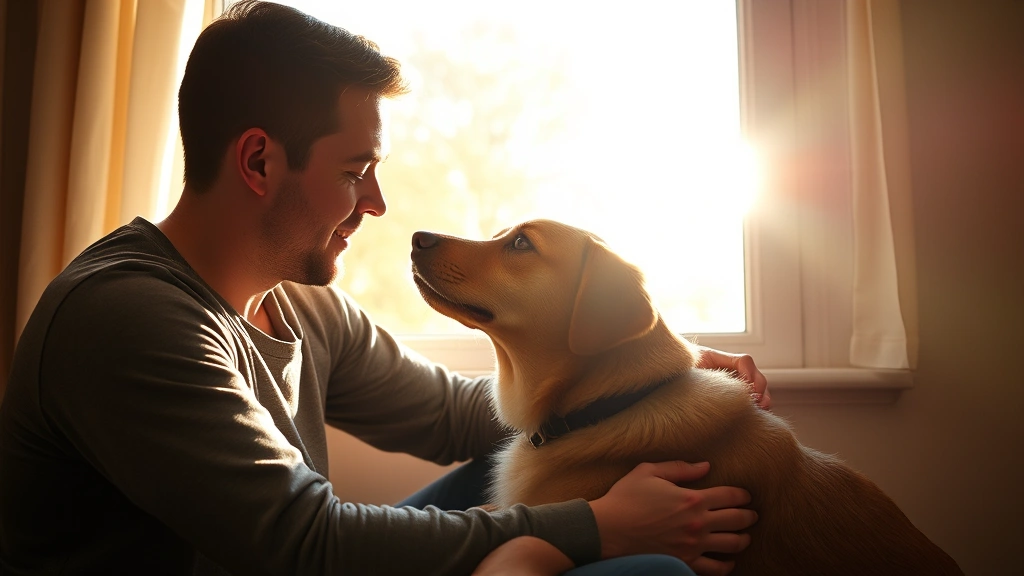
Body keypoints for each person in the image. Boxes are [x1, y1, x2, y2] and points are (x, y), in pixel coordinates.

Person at [0, 2, 771, 574]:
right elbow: (304, 541)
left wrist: (655, 365)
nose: (375, 205)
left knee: (504, 468)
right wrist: (598, 526)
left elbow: (457, 415)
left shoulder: (299, 306)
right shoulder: (126, 318)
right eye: (354, 172)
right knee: (650, 570)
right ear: (260, 163)